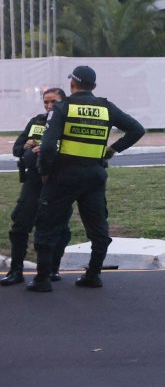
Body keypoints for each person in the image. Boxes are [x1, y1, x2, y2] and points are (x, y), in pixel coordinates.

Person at [28, 66, 145, 292]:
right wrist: (111, 151)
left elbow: (48, 146)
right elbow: (136, 130)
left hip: (63, 175)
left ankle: (42, 279)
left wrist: (44, 171)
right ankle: (93, 274)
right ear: (94, 86)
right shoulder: (106, 107)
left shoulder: (62, 108)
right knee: (97, 227)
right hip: (94, 175)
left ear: (72, 84)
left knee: (47, 224)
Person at [2, 88, 67, 286]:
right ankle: (16, 271)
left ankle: (52, 270)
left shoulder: (69, 124)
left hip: (57, 183)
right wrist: (26, 147)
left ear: (63, 102)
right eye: (46, 102)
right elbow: (16, 149)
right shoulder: (36, 121)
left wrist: (50, 150)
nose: (49, 106)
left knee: (59, 228)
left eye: (53, 102)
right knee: (20, 225)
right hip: (32, 182)